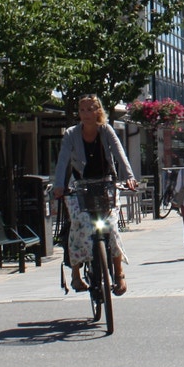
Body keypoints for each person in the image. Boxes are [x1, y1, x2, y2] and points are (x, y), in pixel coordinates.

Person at [52, 95, 137, 295]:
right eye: (82, 110)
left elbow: (119, 152)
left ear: (98, 111)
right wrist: (59, 185)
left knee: (112, 226)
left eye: (90, 109)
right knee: (78, 223)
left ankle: (119, 274)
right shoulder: (72, 134)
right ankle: (76, 275)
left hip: (105, 183)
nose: (86, 114)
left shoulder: (105, 130)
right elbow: (63, 159)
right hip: (80, 185)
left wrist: (129, 177)